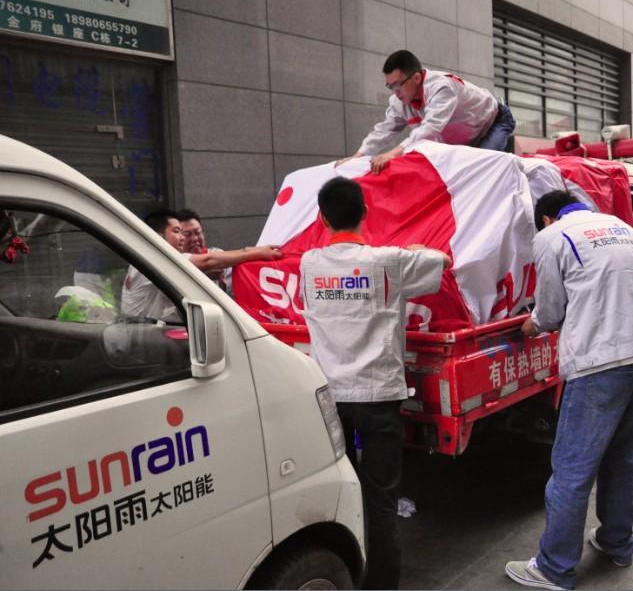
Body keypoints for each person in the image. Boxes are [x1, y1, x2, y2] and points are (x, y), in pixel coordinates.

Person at [298, 177, 450, 590]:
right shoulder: (390, 261)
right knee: (381, 501)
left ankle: (349, 570)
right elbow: (442, 262)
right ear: (365, 213)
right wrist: (418, 249)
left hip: (329, 394)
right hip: (378, 395)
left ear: (322, 218)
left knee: (340, 491)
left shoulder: (309, 263)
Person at [505, 191, 633, 591]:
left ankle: (553, 568)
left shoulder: (553, 236)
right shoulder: (622, 227)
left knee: (572, 470)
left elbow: (550, 311)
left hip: (599, 364)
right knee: (620, 459)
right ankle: (617, 542)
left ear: (546, 219)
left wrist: (531, 324)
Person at [340, 50, 515, 174]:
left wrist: (392, 154)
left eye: (398, 85)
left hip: (494, 122)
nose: (395, 92)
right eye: (390, 86)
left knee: (483, 171)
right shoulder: (398, 101)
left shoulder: (441, 87)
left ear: (416, 78)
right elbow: (383, 131)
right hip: (465, 139)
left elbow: (431, 128)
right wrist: (357, 157)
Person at [122, 209, 282, 320]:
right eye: (178, 232)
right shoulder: (156, 258)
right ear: (157, 236)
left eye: (197, 232)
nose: (185, 238)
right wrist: (257, 252)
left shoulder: (151, 259)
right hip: (138, 339)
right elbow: (208, 261)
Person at [176, 208, 231, 292]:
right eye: (187, 234)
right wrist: (204, 276)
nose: (195, 239)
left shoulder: (216, 254)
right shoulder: (176, 261)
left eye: (198, 232)